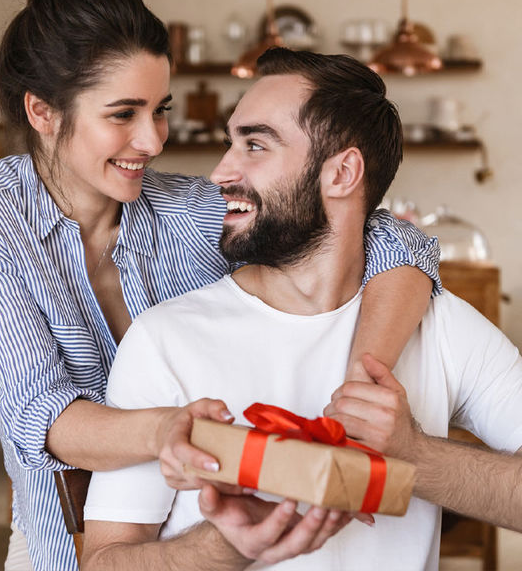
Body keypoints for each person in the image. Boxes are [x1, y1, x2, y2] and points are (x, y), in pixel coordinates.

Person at [0, 0, 441, 570]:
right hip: (62, 535)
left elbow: (394, 238)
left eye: (160, 110)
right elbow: (37, 416)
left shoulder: (189, 210)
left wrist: (359, 392)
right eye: (124, 114)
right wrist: (168, 431)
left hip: (202, 526)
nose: (153, 140)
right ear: (43, 112)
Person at [81, 48, 522, 571]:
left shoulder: (441, 325)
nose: (221, 172)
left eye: (255, 145)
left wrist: (414, 455)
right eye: (230, 143)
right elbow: (102, 562)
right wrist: (225, 545)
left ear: (342, 174)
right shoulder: (165, 339)